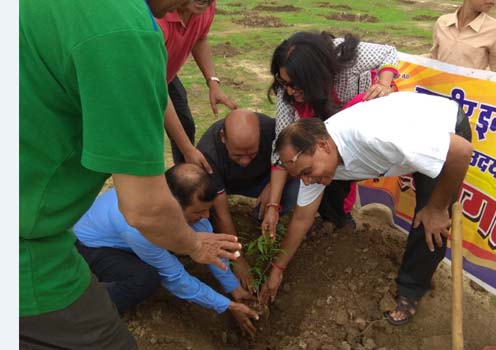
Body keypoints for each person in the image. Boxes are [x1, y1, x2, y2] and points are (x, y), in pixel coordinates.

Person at [20, 0, 240, 348]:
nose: (184, 22)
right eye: (188, 6)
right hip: (31, 251)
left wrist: (234, 285)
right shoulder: (123, 32)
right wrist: (198, 252)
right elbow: (147, 213)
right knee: (138, 289)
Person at [260, 91, 474, 326]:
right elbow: (301, 218)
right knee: (326, 183)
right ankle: (336, 220)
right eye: (300, 176)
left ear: (322, 145)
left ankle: (411, 289)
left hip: (444, 131)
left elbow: (461, 151)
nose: (307, 181)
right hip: (406, 144)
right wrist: (278, 268)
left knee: (431, 221)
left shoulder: (374, 138)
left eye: (307, 173)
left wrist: (437, 208)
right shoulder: (319, 157)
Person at [73, 164, 259, 337]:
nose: (206, 216)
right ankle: (93, 312)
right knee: (145, 278)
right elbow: (175, 278)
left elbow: (210, 248)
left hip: (121, 239)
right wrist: (226, 305)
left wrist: (233, 287)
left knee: (179, 242)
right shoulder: (139, 225)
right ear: (174, 205)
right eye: (200, 211)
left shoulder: (177, 203)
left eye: (208, 209)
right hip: (89, 245)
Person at [262, 31, 400, 241]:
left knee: (335, 168)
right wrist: (273, 204)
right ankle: (324, 215)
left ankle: (340, 219)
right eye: (284, 83)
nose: (289, 91)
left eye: (295, 85)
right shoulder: (288, 91)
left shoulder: (346, 56)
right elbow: (282, 143)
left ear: (314, 76)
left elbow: (389, 53)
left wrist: (383, 84)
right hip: (325, 120)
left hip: (354, 116)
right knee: (316, 166)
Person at [197, 109, 299, 291]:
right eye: (237, 155)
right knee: (210, 212)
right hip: (228, 186)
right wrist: (238, 259)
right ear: (223, 137)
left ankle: (261, 220)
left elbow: (294, 164)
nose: (245, 161)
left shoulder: (273, 130)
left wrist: (272, 187)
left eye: (251, 154)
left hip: (264, 180)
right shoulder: (208, 153)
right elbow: (222, 213)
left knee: (294, 191)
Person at [159, 0, 238, 170]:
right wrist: (188, 149)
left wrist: (213, 82)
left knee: (184, 122)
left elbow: (199, 39)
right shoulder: (157, 19)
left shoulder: (205, 7)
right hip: (140, 78)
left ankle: (185, 178)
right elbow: (156, 89)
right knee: (146, 137)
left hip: (165, 75)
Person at [429, 0, 496, 83]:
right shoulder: (442, 22)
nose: (492, 1)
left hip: (467, 97)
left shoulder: (495, 29)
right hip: (438, 93)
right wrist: (413, 60)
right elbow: (434, 58)